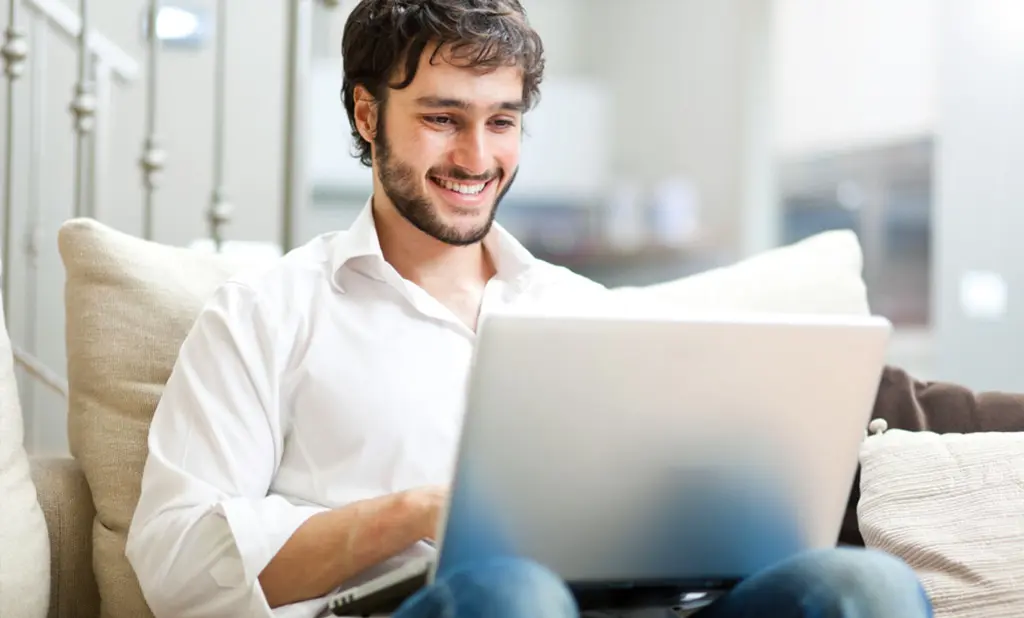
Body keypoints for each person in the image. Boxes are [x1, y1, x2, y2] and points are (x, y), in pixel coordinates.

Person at [125, 1, 934, 617]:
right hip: (444, 607)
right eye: (443, 119)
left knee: (860, 584)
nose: (478, 158)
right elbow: (172, 559)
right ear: (368, 116)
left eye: (501, 122)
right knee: (514, 593)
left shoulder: (585, 312)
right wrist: (410, 515)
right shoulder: (267, 313)